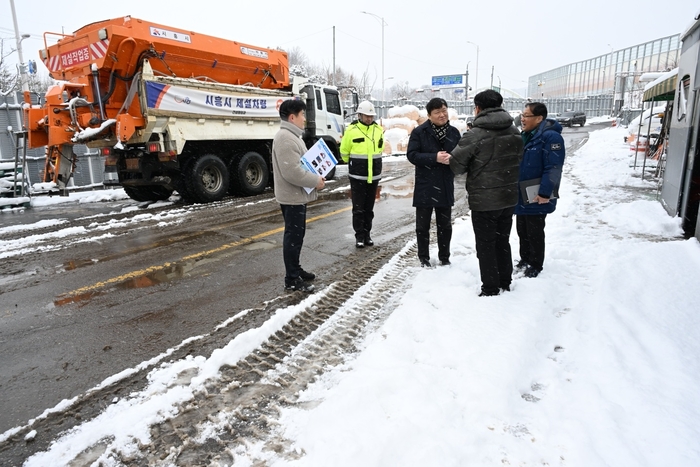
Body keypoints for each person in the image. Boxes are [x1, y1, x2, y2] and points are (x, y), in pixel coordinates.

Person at [449, 90, 523, 296]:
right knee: (502, 240)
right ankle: (505, 281)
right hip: (508, 196)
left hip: (484, 200)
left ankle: (490, 288)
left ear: (478, 108)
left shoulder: (474, 135)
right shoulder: (514, 131)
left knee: (486, 244)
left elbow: (456, 165)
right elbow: (518, 158)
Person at [271, 99, 325, 292]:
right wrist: (315, 181)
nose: (304, 118)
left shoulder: (293, 136)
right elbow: (292, 172)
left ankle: (296, 269)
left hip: (296, 195)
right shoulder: (286, 138)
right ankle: (291, 278)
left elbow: (301, 164)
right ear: (292, 117)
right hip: (291, 196)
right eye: (302, 115)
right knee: (293, 237)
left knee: (297, 236)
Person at [407, 97, 461, 267]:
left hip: (445, 184)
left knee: (445, 225)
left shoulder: (454, 132)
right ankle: (424, 258)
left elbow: (461, 155)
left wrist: (453, 159)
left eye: (444, 110)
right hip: (425, 184)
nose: (442, 115)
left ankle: (445, 257)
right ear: (429, 115)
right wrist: (434, 158)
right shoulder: (419, 132)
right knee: (422, 226)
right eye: (437, 112)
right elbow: (412, 155)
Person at [514, 102, 565, 278]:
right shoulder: (526, 135)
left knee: (534, 230)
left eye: (526, 115)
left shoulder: (550, 137)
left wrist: (545, 192)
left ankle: (535, 263)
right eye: (522, 115)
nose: (522, 118)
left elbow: (553, 167)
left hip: (537, 192)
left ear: (539, 118)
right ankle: (525, 258)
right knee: (522, 228)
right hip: (522, 191)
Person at [340, 100, 384, 248]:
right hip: (357, 177)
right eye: (366, 116)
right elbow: (344, 152)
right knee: (358, 209)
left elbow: (380, 148)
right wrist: (353, 164)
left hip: (374, 176)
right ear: (359, 115)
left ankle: (367, 234)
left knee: (369, 209)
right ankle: (359, 236)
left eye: (371, 116)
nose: (369, 119)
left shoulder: (378, 130)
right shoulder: (351, 131)